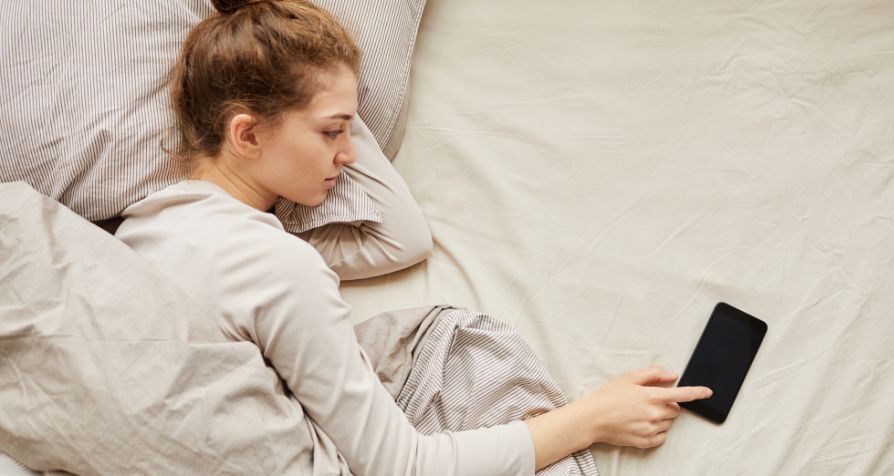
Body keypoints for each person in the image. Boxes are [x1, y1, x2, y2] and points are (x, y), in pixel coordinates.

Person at [116, 0, 714, 474]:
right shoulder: (277, 266)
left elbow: (399, 237)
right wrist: (593, 419)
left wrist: (324, 89)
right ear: (245, 134)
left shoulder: (139, 229)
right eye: (332, 132)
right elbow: (402, 465)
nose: (348, 155)